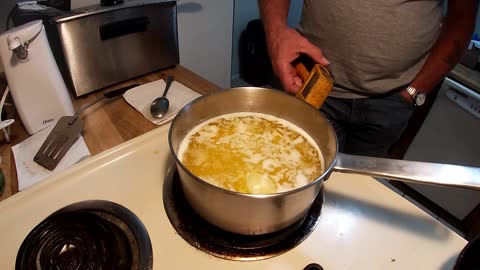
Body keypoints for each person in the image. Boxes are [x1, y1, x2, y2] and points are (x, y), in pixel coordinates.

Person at [259, 0, 477, 157]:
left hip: (392, 102)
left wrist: (413, 92)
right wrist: (276, 34)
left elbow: (463, 17)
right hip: (306, 83)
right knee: (286, 167)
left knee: (356, 190)